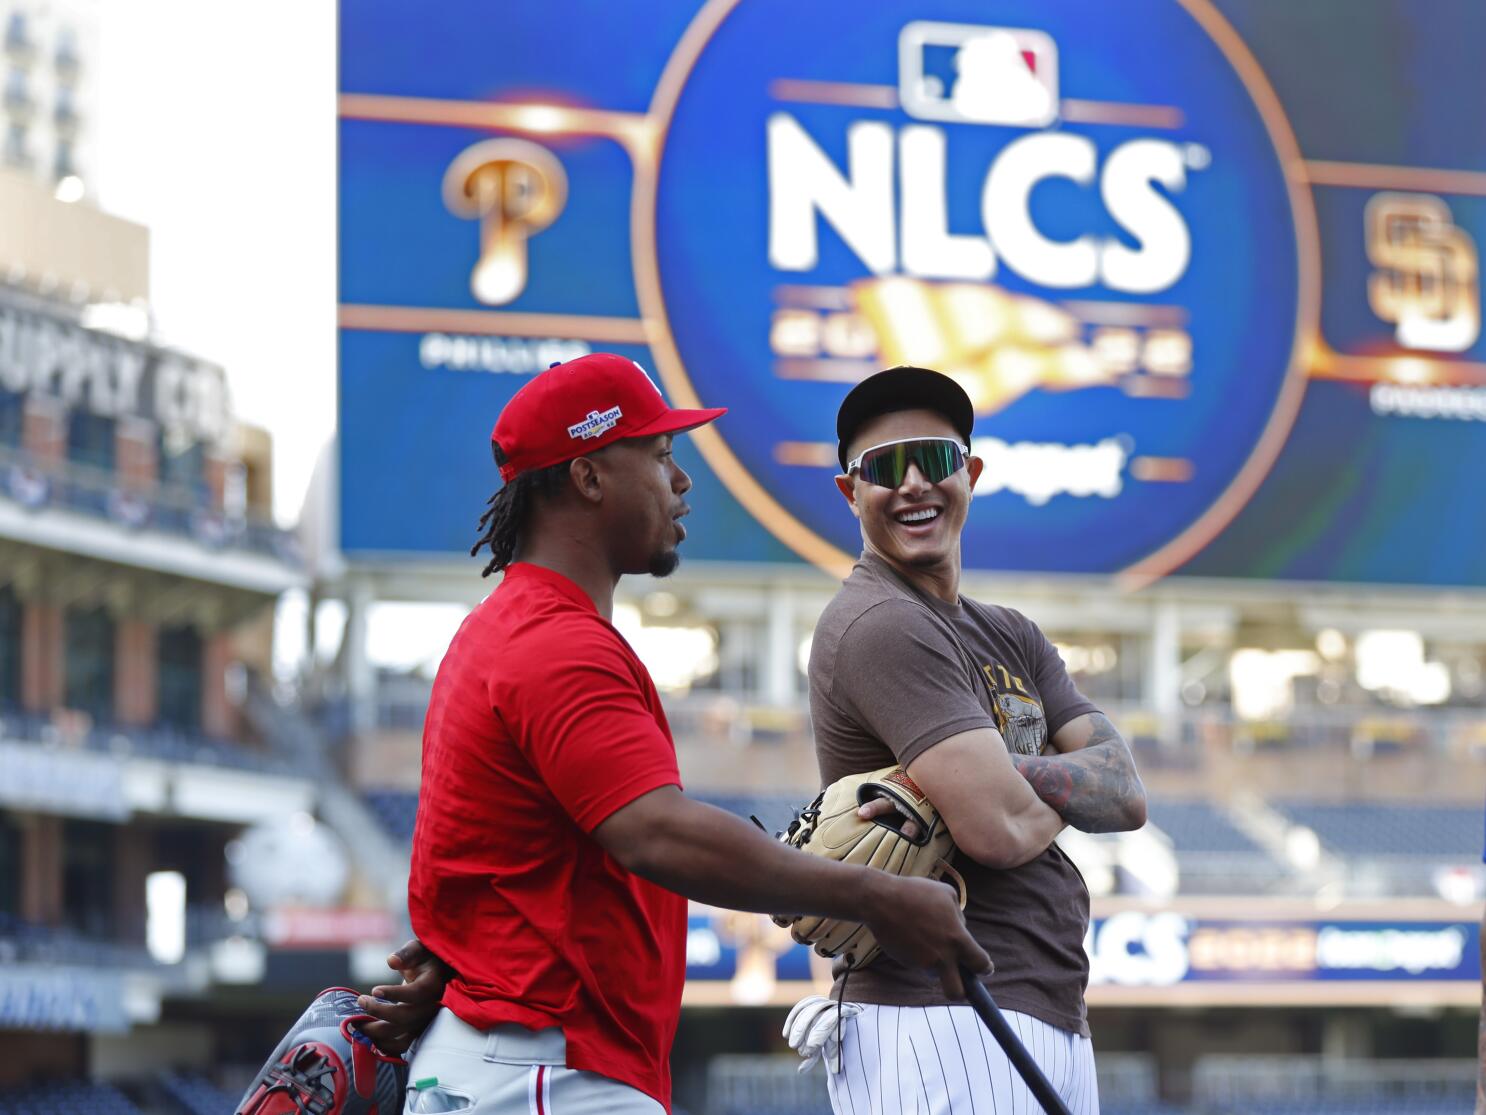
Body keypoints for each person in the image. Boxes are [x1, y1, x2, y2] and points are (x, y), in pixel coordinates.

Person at [356, 353, 989, 1115]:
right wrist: (877, 895)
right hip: (546, 1066)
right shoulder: (554, 643)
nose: (681, 480)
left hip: (526, 1057)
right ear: (589, 477)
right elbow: (656, 832)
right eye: (659, 455)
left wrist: (457, 966)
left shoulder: (508, 627)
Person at [790, 366, 1148, 1115]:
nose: (914, 483)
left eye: (938, 459)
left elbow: (1126, 791)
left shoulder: (1011, 631)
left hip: (1027, 1010)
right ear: (850, 493)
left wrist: (998, 770)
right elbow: (999, 826)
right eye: (884, 468)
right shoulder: (880, 623)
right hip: (943, 1016)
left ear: (971, 473)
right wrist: (1037, 775)